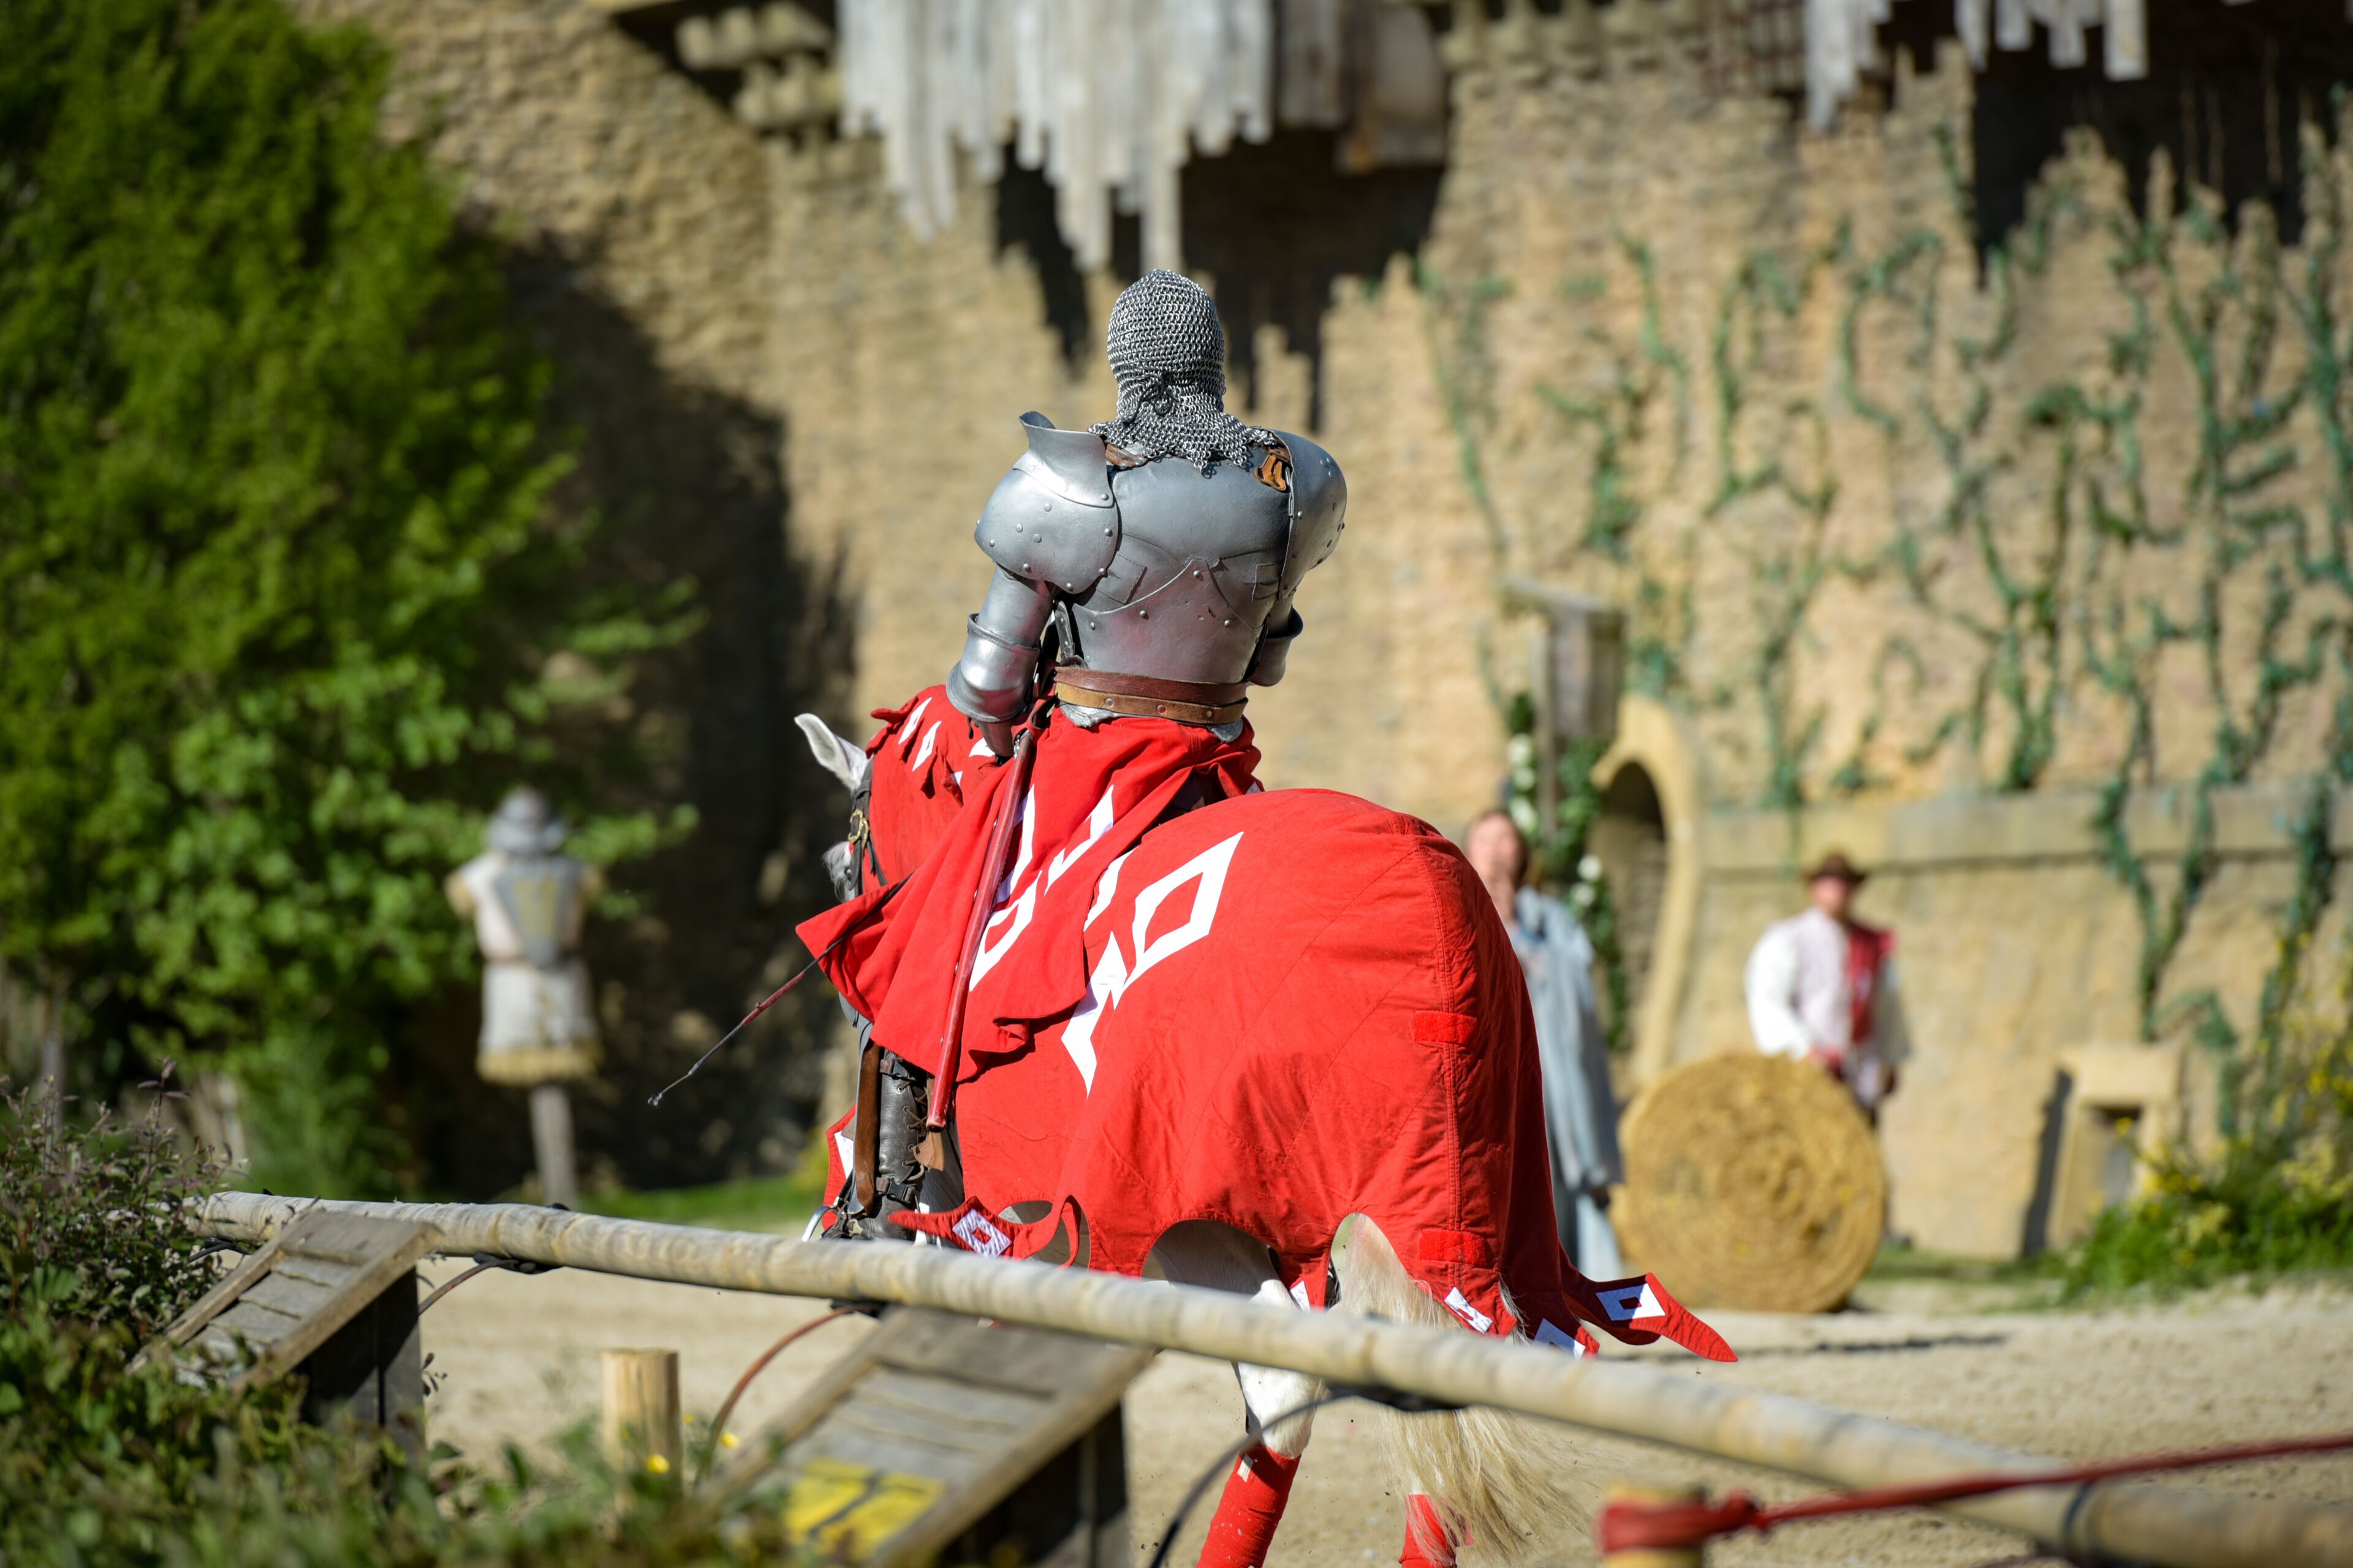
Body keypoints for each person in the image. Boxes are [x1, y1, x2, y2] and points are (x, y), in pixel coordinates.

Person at [1463, 810, 1624, 1279]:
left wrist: (1514, 923)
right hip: (1486, 1061)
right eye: (1485, 839)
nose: (1495, 850)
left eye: (1505, 839)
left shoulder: (1549, 916)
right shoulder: (1458, 904)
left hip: (1549, 1066)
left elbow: (1578, 979)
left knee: (1553, 1163)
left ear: (1522, 851)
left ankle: (1569, 1275)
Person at [445, 787, 603, 1206]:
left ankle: (562, 1191)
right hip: (512, 979)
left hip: (561, 979)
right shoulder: (477, 877)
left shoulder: (572, 870)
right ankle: (548, 1191)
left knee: (561, 1078)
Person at [1743, 850, 1908, 1115]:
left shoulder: (1872, 944)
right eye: (1828, 880)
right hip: (1807, 1078)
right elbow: (1768, 999)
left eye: (1843, 881)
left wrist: (1890, 1059)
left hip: (1859, 1077)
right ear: (1814, 888)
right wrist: (1802, 1049)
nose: (1837, 889)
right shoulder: (1789, 939)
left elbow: (1887, 1004)